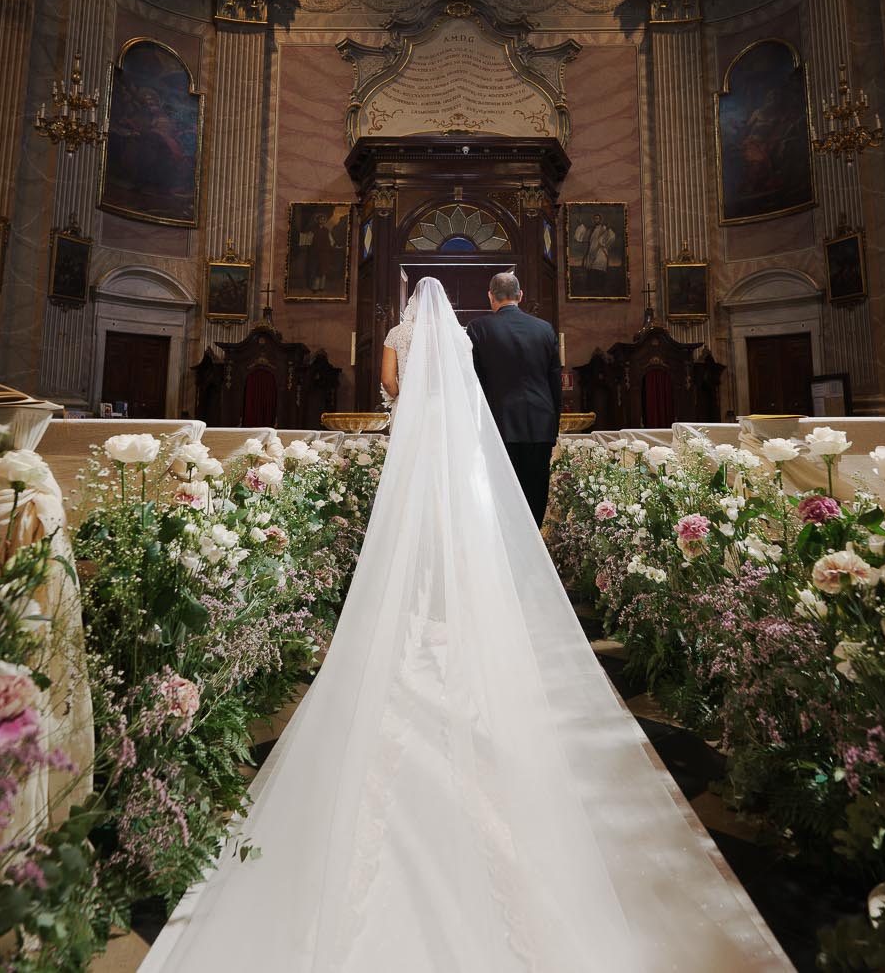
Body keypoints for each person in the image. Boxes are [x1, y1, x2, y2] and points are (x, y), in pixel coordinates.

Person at [140, 277, 788, 973]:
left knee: (408, 521)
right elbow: (517, 382)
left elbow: (392, 388)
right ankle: (477, 588)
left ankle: (417, 599)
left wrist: (410, 400)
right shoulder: (482, 334)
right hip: (499, 428)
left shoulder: (411, 335)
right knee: (494, 516)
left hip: (427, 434)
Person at [463, 269, 561, 526]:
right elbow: (555, 383)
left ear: (490, 296)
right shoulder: (544, 329)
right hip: (540, 424)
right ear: (520, 295)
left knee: (502, 495)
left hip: (499, 424)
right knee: (536, 492)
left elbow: (473, 382)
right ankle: (533, 544)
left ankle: (508, 548)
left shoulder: (478, 328)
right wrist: (553, 426)